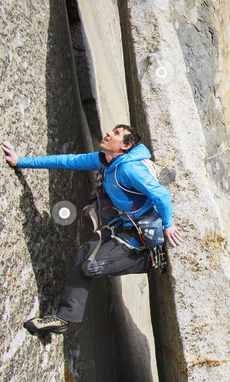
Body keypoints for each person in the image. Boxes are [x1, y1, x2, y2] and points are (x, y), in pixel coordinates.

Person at [2, 124, 183, 335]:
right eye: (112, 130)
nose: (108, 133)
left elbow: (161, 196)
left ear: (126, 146)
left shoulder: (129, 169)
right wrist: (20, 161)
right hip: (123, 225)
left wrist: (168, 225)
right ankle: (63, 319)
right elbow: (67, 161)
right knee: (83, 253)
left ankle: (148, 261)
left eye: (116, 134)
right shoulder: (103, 160)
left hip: (140, 236)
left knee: (90, 266)